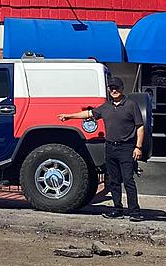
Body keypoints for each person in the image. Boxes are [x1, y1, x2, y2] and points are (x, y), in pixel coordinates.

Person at [58, 76, 145, 221]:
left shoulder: (131, 105)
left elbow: (140, 127)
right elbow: (89, 114)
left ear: (122, 89)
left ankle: (134, 212)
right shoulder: (106, 107)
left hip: (127, 148)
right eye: (112, 88)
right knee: (113, 180)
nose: (114, 90)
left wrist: (138, 147)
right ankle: (117, 209)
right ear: (109, 90)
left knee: (128, 180)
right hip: (110, 147)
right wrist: (69, 116)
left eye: (117, 88)